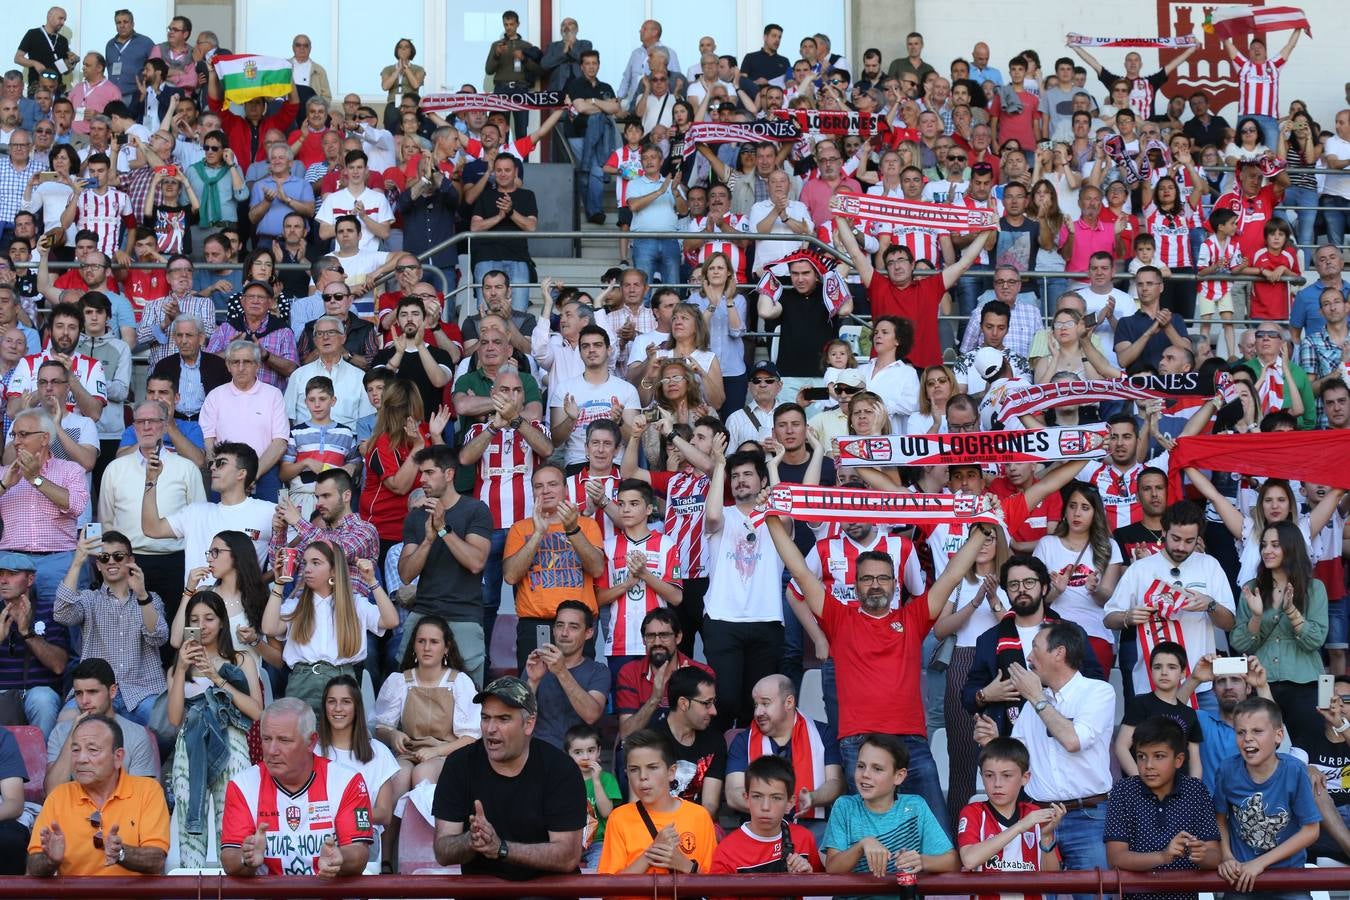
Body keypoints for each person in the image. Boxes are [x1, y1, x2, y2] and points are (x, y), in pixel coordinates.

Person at [770, 517, 1000, 834]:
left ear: (895, 584)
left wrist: (984, 529)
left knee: (936, 833)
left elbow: (951, 575)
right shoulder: (838, 618)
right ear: (855, 586)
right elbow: (798, 571)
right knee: (870, 836)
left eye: (883, 578)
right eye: (867, 579)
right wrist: (771, 518)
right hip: (859, 743)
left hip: (911, 745)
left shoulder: (914, 617)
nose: (875, 585)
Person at [970, 620, 1116, 894]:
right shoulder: (1032, 706)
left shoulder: (1098, 692)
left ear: (1059, 653)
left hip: (1088, 817)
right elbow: (1017, 761)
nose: (1028, 657)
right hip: (1039, 818)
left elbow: (1073, 740)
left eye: (1035, 648)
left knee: (1096, 896)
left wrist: (1037, 698)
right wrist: (993, 742)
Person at [431, 676, 586, 881]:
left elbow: (568, 857)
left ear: (529, 724)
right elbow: (442, 851)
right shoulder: (459, 765)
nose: (490, 729)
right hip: (482, 896)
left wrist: (501, 849)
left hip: (547, 893)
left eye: (503, 719)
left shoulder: (561, 769)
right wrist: (471, 840)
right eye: (485, 718)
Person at [220, 697, 374, 877]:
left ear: (311, 742)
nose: (272, 750)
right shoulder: (242, 785)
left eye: (284, 740)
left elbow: (359, 854)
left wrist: (339, 857)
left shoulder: (346, 781)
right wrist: (245, 859)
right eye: (267, 739)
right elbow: (229, 858)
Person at [1104, 500, 1236, 709]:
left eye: (1189, 541)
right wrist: (1128, 617)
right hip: (1151, 684)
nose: (1181, 547)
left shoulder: (1209, 565)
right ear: (1163, 531)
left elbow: (1229, 622)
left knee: (1200, 742)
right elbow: (1109, 618)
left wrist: (1210, 605)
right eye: (1175, 538)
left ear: (1198, 538)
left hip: (1199, 686)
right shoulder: (1140, 568)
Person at [165, 590, 263, 869]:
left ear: (222, 622)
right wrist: (182, 669)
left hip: (233, 740)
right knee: (188, 823)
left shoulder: (242, 659)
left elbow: (258, 712)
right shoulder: (177, 668)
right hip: (190, 743)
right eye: (195, 619)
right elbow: (173, 719)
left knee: (233, 821)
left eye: (209, 618)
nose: (203, 625)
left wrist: (216, 678)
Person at [834, 212, 988, 368]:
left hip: (925, 370)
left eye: (901, 260)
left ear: (912, 265)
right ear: (886, 268)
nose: (897, 266)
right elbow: (855, 254)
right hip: (885, 368)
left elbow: (964, 263)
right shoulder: (878, 285)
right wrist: (839, 216)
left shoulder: (930, 286)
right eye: (891, 263)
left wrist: (987, 230)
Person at [26, 715, 169, 877]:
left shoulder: (148, 791)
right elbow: (32, 867)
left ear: (118, 757)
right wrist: (50, 860)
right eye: (75, 750)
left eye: (92, 750)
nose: (81, 759)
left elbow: (157, 860)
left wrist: (121, 852)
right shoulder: (59, 796)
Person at [262, 542, 397, 712]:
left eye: (316, 563)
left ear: (334, 570)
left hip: (343, 681)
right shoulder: (295, 605)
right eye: (305, 563)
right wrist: (279, 584)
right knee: (302, 736)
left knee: (339, 738)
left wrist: (372, 581)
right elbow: (269, 628)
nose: (307, 569)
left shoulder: (355, 603)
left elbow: (391, 621)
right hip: (302, 681)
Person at [1229, 519, 1329, 749]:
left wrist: (1291, 610)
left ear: (1291, 547)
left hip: (1306, 686)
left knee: (1308, 757)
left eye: (1275, 545)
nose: (1267, 550)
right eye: (1264, 545)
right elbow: (1240, 642)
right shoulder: (1252, 587)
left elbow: (1315, 641)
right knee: (1266, 754)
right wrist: (1256, 616)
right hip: (1263, 685)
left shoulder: (1315, 589)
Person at [398, 444, 492, 685]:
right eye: (421, 473)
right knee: (408, 690)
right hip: (423, 612)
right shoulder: (416, 517)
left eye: (429, 473)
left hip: (464, 616)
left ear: (449, 475)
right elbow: (406, 575)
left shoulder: (476, 510)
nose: (422, 479)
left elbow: (476, 562)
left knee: (469, 699)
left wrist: (442, 530)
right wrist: (428, 541)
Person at [53, 532, 166, 725]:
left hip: (143, 691)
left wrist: (141, 595)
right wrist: (78, 561)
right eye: (104, 558)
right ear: (98, 565)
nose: (111, 561)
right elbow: (61, 614)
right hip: (94, 691)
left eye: (118, 556)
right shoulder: (88, 598)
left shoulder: (150, 598)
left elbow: (158, 638)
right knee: (65, 723)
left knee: (166, 726)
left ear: (131, 560)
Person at [1213, 697, 1321, 896]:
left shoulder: (1295, 770)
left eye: (1257, 731)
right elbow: (1219, 819)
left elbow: (1311, 830)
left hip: (1288, 877)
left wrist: (1260, 863)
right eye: (1241, 732)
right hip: (1241, 876)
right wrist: (1227, 856)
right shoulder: (1227, 769)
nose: (1248, 738)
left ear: (1278, 735)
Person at [1104, 716, 1221, 897]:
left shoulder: (1195, 790)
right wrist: (1163, 856)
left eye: (1159, 756)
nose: (1148, 766)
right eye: (1141, 756)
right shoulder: (1123, 790)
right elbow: (1116, 858)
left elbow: (1214, 856)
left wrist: (1201, 854)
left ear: (1179, 760)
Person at [504, 463, 605, 669]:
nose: (546, 490)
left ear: (565, 489)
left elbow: (597, 569)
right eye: (539, 486)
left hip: (577, 623)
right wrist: (538, 533)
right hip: (535, 624)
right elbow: (511, 576)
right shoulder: (519, 528)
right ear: (532, 492)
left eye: (552, 484)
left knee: (577, 690)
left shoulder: (587, 525)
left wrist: (572, 529)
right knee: (535, 693)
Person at [822, 732, 959, 878]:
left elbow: (953, 862)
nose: (865, 774)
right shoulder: (844, 807)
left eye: (877, 769)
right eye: (861, 766)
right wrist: (862, 845)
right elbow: (832, 867)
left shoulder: (915, 806)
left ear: (899, 776)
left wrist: (922, 861)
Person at [724, 674, 844, 837]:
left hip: (811, 825)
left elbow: (835, 782)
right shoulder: (743, 741)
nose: (758, 712)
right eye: (756, 705)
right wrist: (771, 807)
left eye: (765, 703)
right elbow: (733, 793)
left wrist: (812, 798)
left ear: (789, 702)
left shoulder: (822, 734)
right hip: (759, 828)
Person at [375, 615, 480, 794]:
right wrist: (393, 735)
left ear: (446, 648)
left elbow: (470, 738)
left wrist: (437, 751)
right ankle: (393, 823)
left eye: (434, 642)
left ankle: (426, 822)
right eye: (421, 641)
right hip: (409, 753)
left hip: (447, 754)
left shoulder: (459, 682)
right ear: (414, 646)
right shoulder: (400, 681)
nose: (427, 648)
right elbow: (380, 728)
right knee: (399, 776)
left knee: (422, 773)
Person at [599, 728, 717, 880]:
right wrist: (650, 855)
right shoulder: (619, 818)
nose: (643, 777)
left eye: (652, 767)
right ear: (626, 774)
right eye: (634, 769)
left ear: (671, 772)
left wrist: (685, 865)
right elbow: (609, 888)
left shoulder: (699, 816)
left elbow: (714, 884)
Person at [142, 440, 275, 572]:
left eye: (221, 463)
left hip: (248, 594)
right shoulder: (195, 512)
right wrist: (150, 480)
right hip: (194, 593)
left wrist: (257, 585)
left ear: (241, 473)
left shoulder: (268, 512)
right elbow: (152, 529)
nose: (212, 467)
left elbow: (291, 554)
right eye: (212, 463)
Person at [316, 675, 399, 874]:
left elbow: (385, 814)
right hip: (319, 837)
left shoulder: (379, 752)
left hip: (363, 840)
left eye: (346, 702)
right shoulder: (312, 751)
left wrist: (344, 817)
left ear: (357, 708)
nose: (337, 709)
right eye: (331, 702)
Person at [957, 736, 1064, 882]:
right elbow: (969, 860)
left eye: (1007, 775)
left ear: (1025, 778)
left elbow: (1052, 878)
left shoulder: (1034, 813)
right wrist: (1021, 826)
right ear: (981, 776)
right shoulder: (973, 812)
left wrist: (1046, 837)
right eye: (989, 775)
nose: (997, 783)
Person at [200, 340, 290, 502]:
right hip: (224, 474)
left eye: (247, 362)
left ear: (258, 365)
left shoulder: (273, 395)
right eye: (235, 362)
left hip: (265, 473)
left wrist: (252, 475)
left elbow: (280, 443)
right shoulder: (215, 396)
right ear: (227, 365)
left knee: (267, 525)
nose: (241, 368)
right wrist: (226, 472)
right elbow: (208, 442)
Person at [44, 657, 156, 786]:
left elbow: (142, 796)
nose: (84, 700)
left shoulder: (137, 734)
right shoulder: (61, 732)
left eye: (92, 692)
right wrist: (72, 736)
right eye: (79, 693)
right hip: (75, 805)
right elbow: (52, 792)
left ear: (112, 691)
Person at [525, 599, 609, 751]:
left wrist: (561, 671)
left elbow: (591, 715)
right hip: (539, 754)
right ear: (553, 630)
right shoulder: (536, 665)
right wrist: (533, 682)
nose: (564, 633)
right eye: (559, 625)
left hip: (579, 759)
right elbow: (518, 719)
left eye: (573, 627)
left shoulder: (599, 671)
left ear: (589, 633)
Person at [1113, 642, 1204, 780]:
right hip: (1144, 787)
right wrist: (1141, 782)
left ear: (1183, 672)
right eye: (1157, 667)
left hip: (1179, 790)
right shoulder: (1140, 704)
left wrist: (1194, 789)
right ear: (1151, 671)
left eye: (1172, 667)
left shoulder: (1189, 714)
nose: (1164, 672)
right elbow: (1121, 746)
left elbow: (1194, 759)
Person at [469, 155, 539, 313]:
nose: (502, 174)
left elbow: (531, 226)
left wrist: (510, 212)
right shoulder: (485, 195)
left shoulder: (527, 195)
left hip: (518, 258)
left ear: (516, 172)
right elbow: (475, 227)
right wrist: (500, 216)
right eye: (499, 170)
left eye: (507, 170)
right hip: (486, 258)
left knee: (518, 313)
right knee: (486, 313)